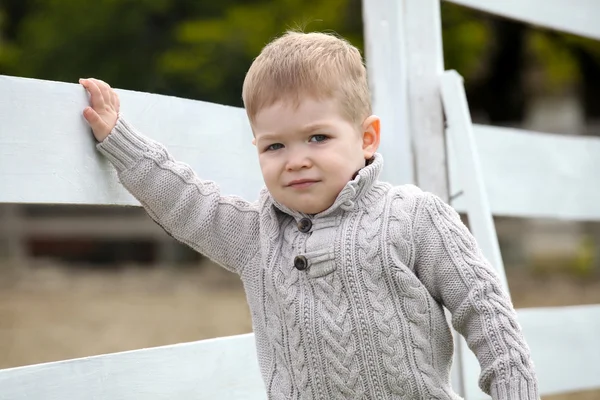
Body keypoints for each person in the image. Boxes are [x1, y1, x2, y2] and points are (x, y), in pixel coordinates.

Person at [79, 30, 538, 400]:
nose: (295, 159)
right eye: (275, 145)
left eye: (317, 137)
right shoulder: (255, 235)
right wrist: (120, 139)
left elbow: (485, 312)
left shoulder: (415, 217)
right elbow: (188, 203)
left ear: (367, 138)